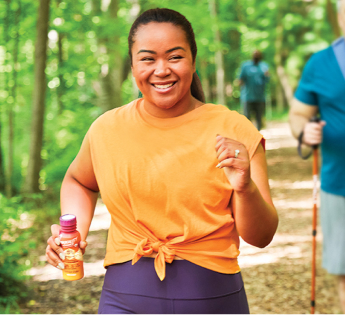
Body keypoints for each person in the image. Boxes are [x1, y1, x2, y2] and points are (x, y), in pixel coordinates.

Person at [46, 8, 278, 314]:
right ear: (132, 66)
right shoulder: (107, 129)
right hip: (123, 299)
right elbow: (79, 180)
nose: (161, 69)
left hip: (212, 299)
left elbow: (260, 237)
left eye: (174, 56)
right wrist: (72, 234)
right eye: (147, 58)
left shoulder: (234, 130)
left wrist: (245, 189)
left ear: (193, 61)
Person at [289, 0, 345, 312]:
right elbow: (298, 114)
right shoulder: (321, 64)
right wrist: (304, 132)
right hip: (339, 186)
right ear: (340, 17)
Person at [239, 50, 270, 131]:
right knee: (246, 118)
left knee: (259, 117)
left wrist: (267, 76)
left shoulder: (264, 66)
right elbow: (240, 79)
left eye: (258, 54)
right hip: (247, 96)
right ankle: (247, 135)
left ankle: (258, 135)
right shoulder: (245, 66)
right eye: (255, 54)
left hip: (260, 97)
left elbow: (267, 80)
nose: (256, 56)